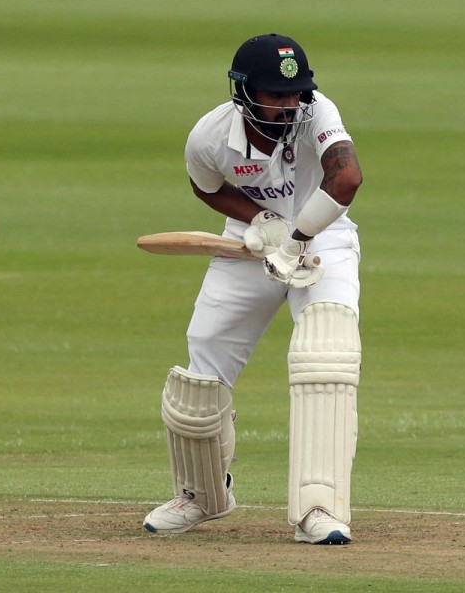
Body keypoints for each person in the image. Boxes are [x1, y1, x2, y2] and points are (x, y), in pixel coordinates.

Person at [142, 33, 364, 545]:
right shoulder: (209, 136)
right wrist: (261, 220)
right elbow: (206, 186)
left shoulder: (316, 112)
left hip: (323, 236)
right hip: (252, 242)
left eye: (295, 94)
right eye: (275, 95)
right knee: (202, 371)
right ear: (243, 92)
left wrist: (299, 235)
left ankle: (320, 509)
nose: (288, 106)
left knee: (325, 355)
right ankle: (202, 495)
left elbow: (346, 178)